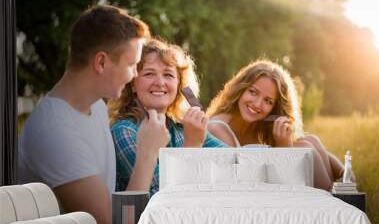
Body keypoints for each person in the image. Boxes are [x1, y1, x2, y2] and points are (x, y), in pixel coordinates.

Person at [18, 5, 150, 224]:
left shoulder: (96, 106)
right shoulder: (54, 132)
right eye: (132, 65)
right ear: (101, 62)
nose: (135, 74)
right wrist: (148, 152)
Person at [206, 59, 348, 191]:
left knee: (310, 141)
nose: (257, 104)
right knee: (304, 148)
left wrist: (344, 172)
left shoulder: (258, 125)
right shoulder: (218, 127)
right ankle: (331, 201)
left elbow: (319, 152)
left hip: (266, 184)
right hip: (249, 190)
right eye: (253, 92)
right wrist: (284, 148)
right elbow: (243, 175)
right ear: (240, 89)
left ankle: (338, 194)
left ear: (274, 108)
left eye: (268, 101)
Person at [109, 39, 227, 196]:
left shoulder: (183, 128)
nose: (160, 82)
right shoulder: (124, 131)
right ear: (132, 84)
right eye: (149, 74)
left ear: (179, 86)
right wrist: (192, 146)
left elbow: (231, 162)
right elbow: (160, 196)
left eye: (168, 75)